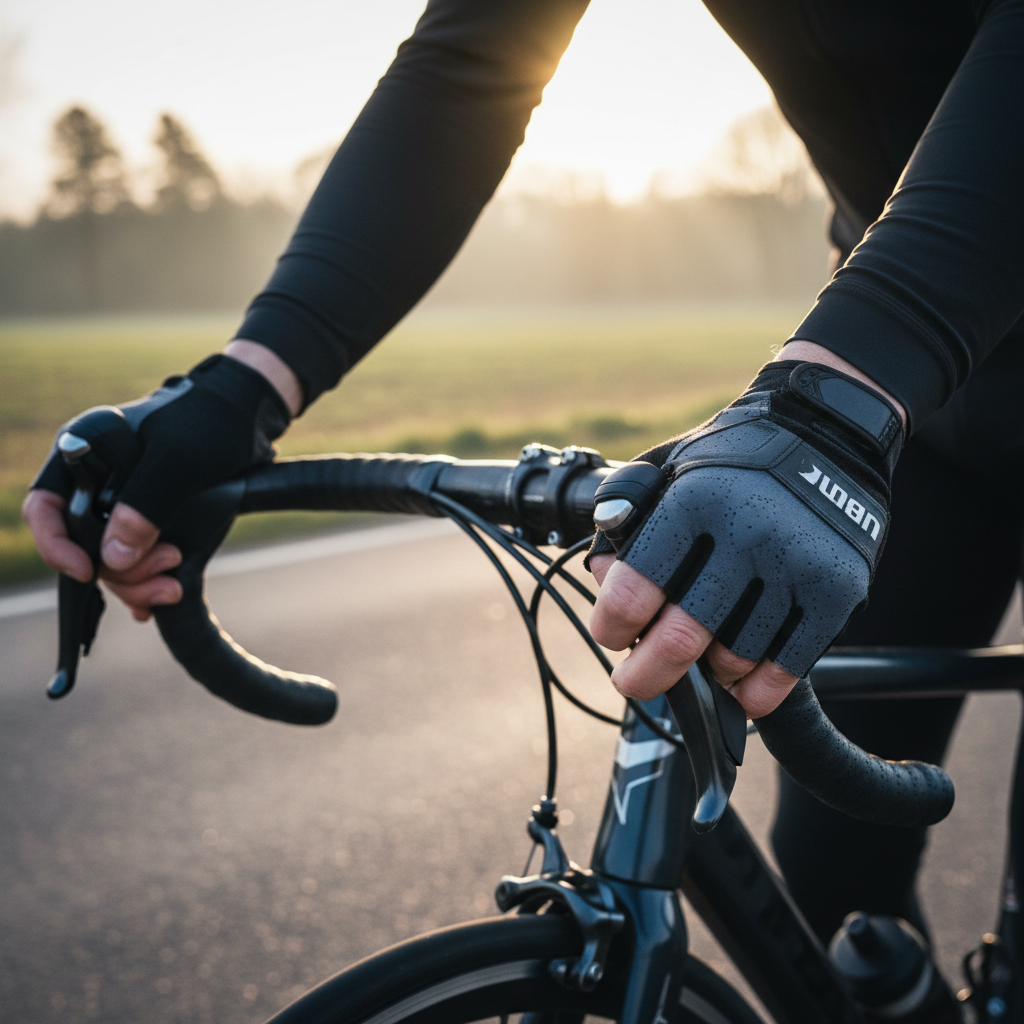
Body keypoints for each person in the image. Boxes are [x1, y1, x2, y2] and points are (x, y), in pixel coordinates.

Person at [23, 0, 1024, 963]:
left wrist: (827, 405)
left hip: (878, 376)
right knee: (834, 886)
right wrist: (243, 386)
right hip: (922, 411)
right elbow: (470, 68)